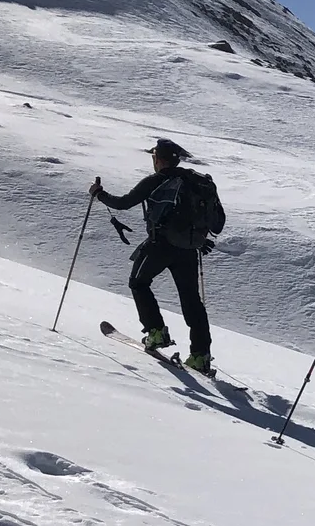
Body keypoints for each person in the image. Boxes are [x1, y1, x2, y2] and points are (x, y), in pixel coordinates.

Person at [91, 137, 220, 374]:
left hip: (160, 244)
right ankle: (200, 355)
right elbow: (218, 222)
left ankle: (156, 331)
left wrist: (99, 194)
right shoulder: (196, 182)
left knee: (138, 282)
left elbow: (123, 203)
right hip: (189, 249)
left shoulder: (157, 181)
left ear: (158, 160)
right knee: (191, 300)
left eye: (154, 157)